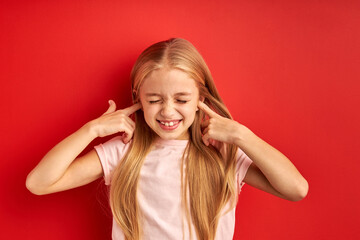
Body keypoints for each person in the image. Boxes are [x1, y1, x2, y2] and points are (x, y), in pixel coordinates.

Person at [26, 38, 308, 240]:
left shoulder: (223, 153)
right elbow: (39, 183)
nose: (168, 110)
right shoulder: (123, 152)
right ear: (139, 99)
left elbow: (296, 189)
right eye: (155, 99)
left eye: (182, 99)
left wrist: (243, 136)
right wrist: (91, 130)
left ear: (201, 98)